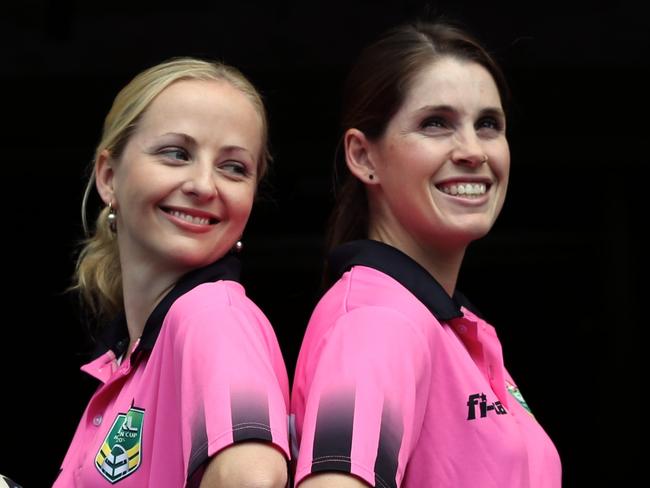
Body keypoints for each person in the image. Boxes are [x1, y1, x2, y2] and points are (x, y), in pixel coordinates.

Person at [291, 21, 561, 487]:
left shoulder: (441, 322)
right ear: (363, 156)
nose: (473, 150)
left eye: (488, 125)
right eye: (436, 123)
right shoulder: (377, 320)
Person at [55, 58, 289, 487]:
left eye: (234, 167)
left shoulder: (212, 315)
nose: (204, 185)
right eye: (176, 153)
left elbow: (254, 478)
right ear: (109, 177)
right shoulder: (135, 355)